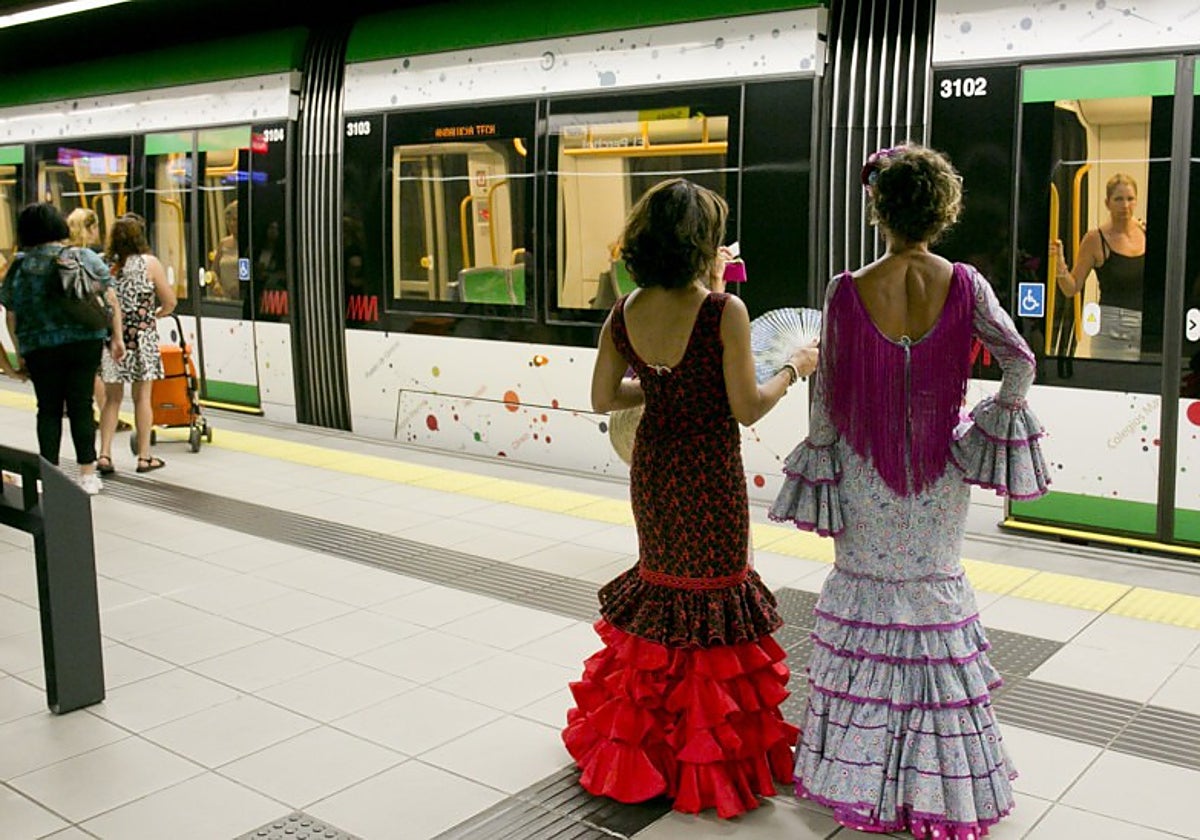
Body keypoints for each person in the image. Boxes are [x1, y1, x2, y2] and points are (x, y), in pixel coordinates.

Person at [770, 145, 1050, 838]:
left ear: (879, 209)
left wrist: (827, 461)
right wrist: (987, 426)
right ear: (942, 209)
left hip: (864, 474)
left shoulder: (846, 289)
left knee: (866, 613)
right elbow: (1020, 359)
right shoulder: (964, 284)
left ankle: (859, 774)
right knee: (932, 611)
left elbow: (828, 395)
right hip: (939, 473)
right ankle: (940, 781)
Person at [563, 178, 818, 819]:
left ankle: (642, 746)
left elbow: (602, 398)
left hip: (653, 470)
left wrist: (661, 386)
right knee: (717, 593)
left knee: (664, 589)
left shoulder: (624, 311)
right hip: (708, 473)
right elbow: (746, 407)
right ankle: (708, 755)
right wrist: (794, 370)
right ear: (702, 244)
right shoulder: (721, 312)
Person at [0, 203, 125, 494]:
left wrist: (20, 351)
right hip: (84, 342)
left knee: (48, 410)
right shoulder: (82, 257)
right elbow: (110, 297)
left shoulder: (19, 265)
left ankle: (50, 476)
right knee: (82, 405)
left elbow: (10, 312)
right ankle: (87, 475)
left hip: (39, 346)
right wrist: (116, 337)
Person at [97, 215, 176, 475]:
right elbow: (170, 301)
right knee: (142, 397)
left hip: (112, 338)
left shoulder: (104, 264)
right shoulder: (149, 263)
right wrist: (154, 315)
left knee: (111, 399)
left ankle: (105, 455)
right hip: (142, 338)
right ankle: (144, 457)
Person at [1051, 172, 1145, 361]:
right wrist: (1059, 263)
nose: (1125, 205)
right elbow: (1072, 288)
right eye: (1118, 199)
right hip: (1111, 328)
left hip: (1147, 328)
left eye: (1130, 199)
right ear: (1107, 203)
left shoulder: (1144, 231)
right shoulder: (1095, 239)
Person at [67, 207, 133, 434]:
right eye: (95, 227)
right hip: (91, 323)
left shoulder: (62, 255)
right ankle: (106, 412)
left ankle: (85, 411)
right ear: (89, 229)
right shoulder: (90, 257)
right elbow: (110, 296)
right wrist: (117, 334)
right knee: (95, 370)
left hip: (68, 324)